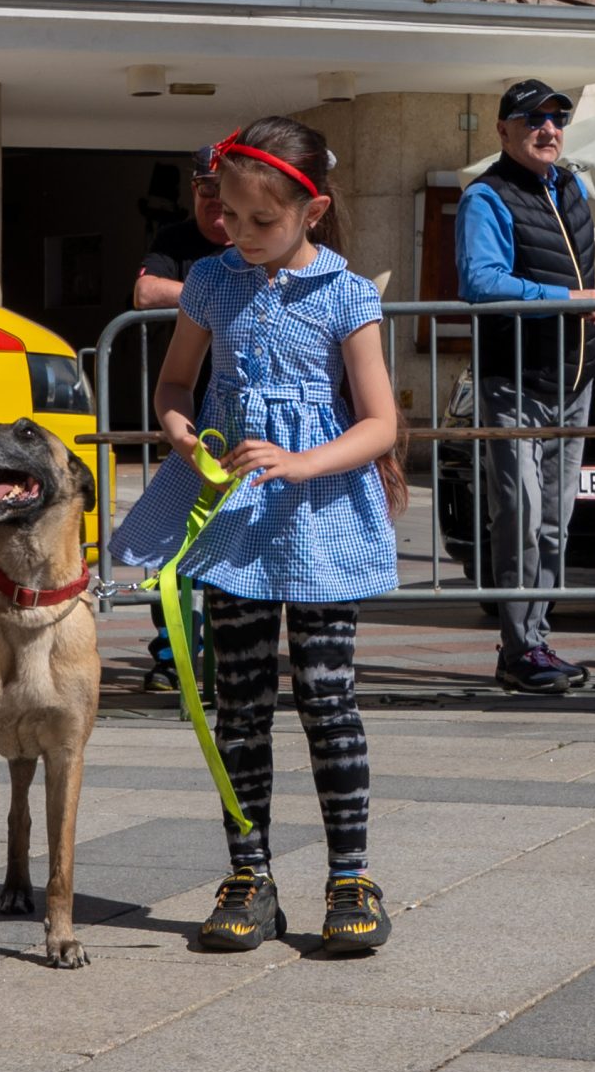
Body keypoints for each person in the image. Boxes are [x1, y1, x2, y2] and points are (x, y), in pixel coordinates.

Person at [113, 116, 402, 956]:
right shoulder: (210, 281)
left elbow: (380, 422)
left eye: (260, 219)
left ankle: (351, 877)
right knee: (239, 702)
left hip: (319, 519)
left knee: (327, 697)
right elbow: (175, 383)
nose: (239, 232)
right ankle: (249, 873)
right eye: (228, 214)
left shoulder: (346, 293)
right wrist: (180, 432)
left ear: (313, 211)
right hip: (234, 519)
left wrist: (304, 462)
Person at [456, 79, 595, 696]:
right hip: (515, 380)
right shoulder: (486, 196)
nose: (548, 129)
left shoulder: (572, 186)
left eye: (557, 118)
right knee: (521, 517)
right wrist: (564, 299)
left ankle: (536, 640)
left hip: (574, 379)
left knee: (555, 523)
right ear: (503, 130)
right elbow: (481, 282)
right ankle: (519, 650)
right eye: (533, 119)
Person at [130, 157, 231, 693]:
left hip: (254, 424)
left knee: (240, 545)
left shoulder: (263, 240)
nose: (215, 199)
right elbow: (145, 293)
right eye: (205, 187)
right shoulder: (175, 238)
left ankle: (231, 656)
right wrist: (217, 292)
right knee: (176, 544)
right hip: (191, 420)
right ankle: (174, 655)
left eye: (224, 187)